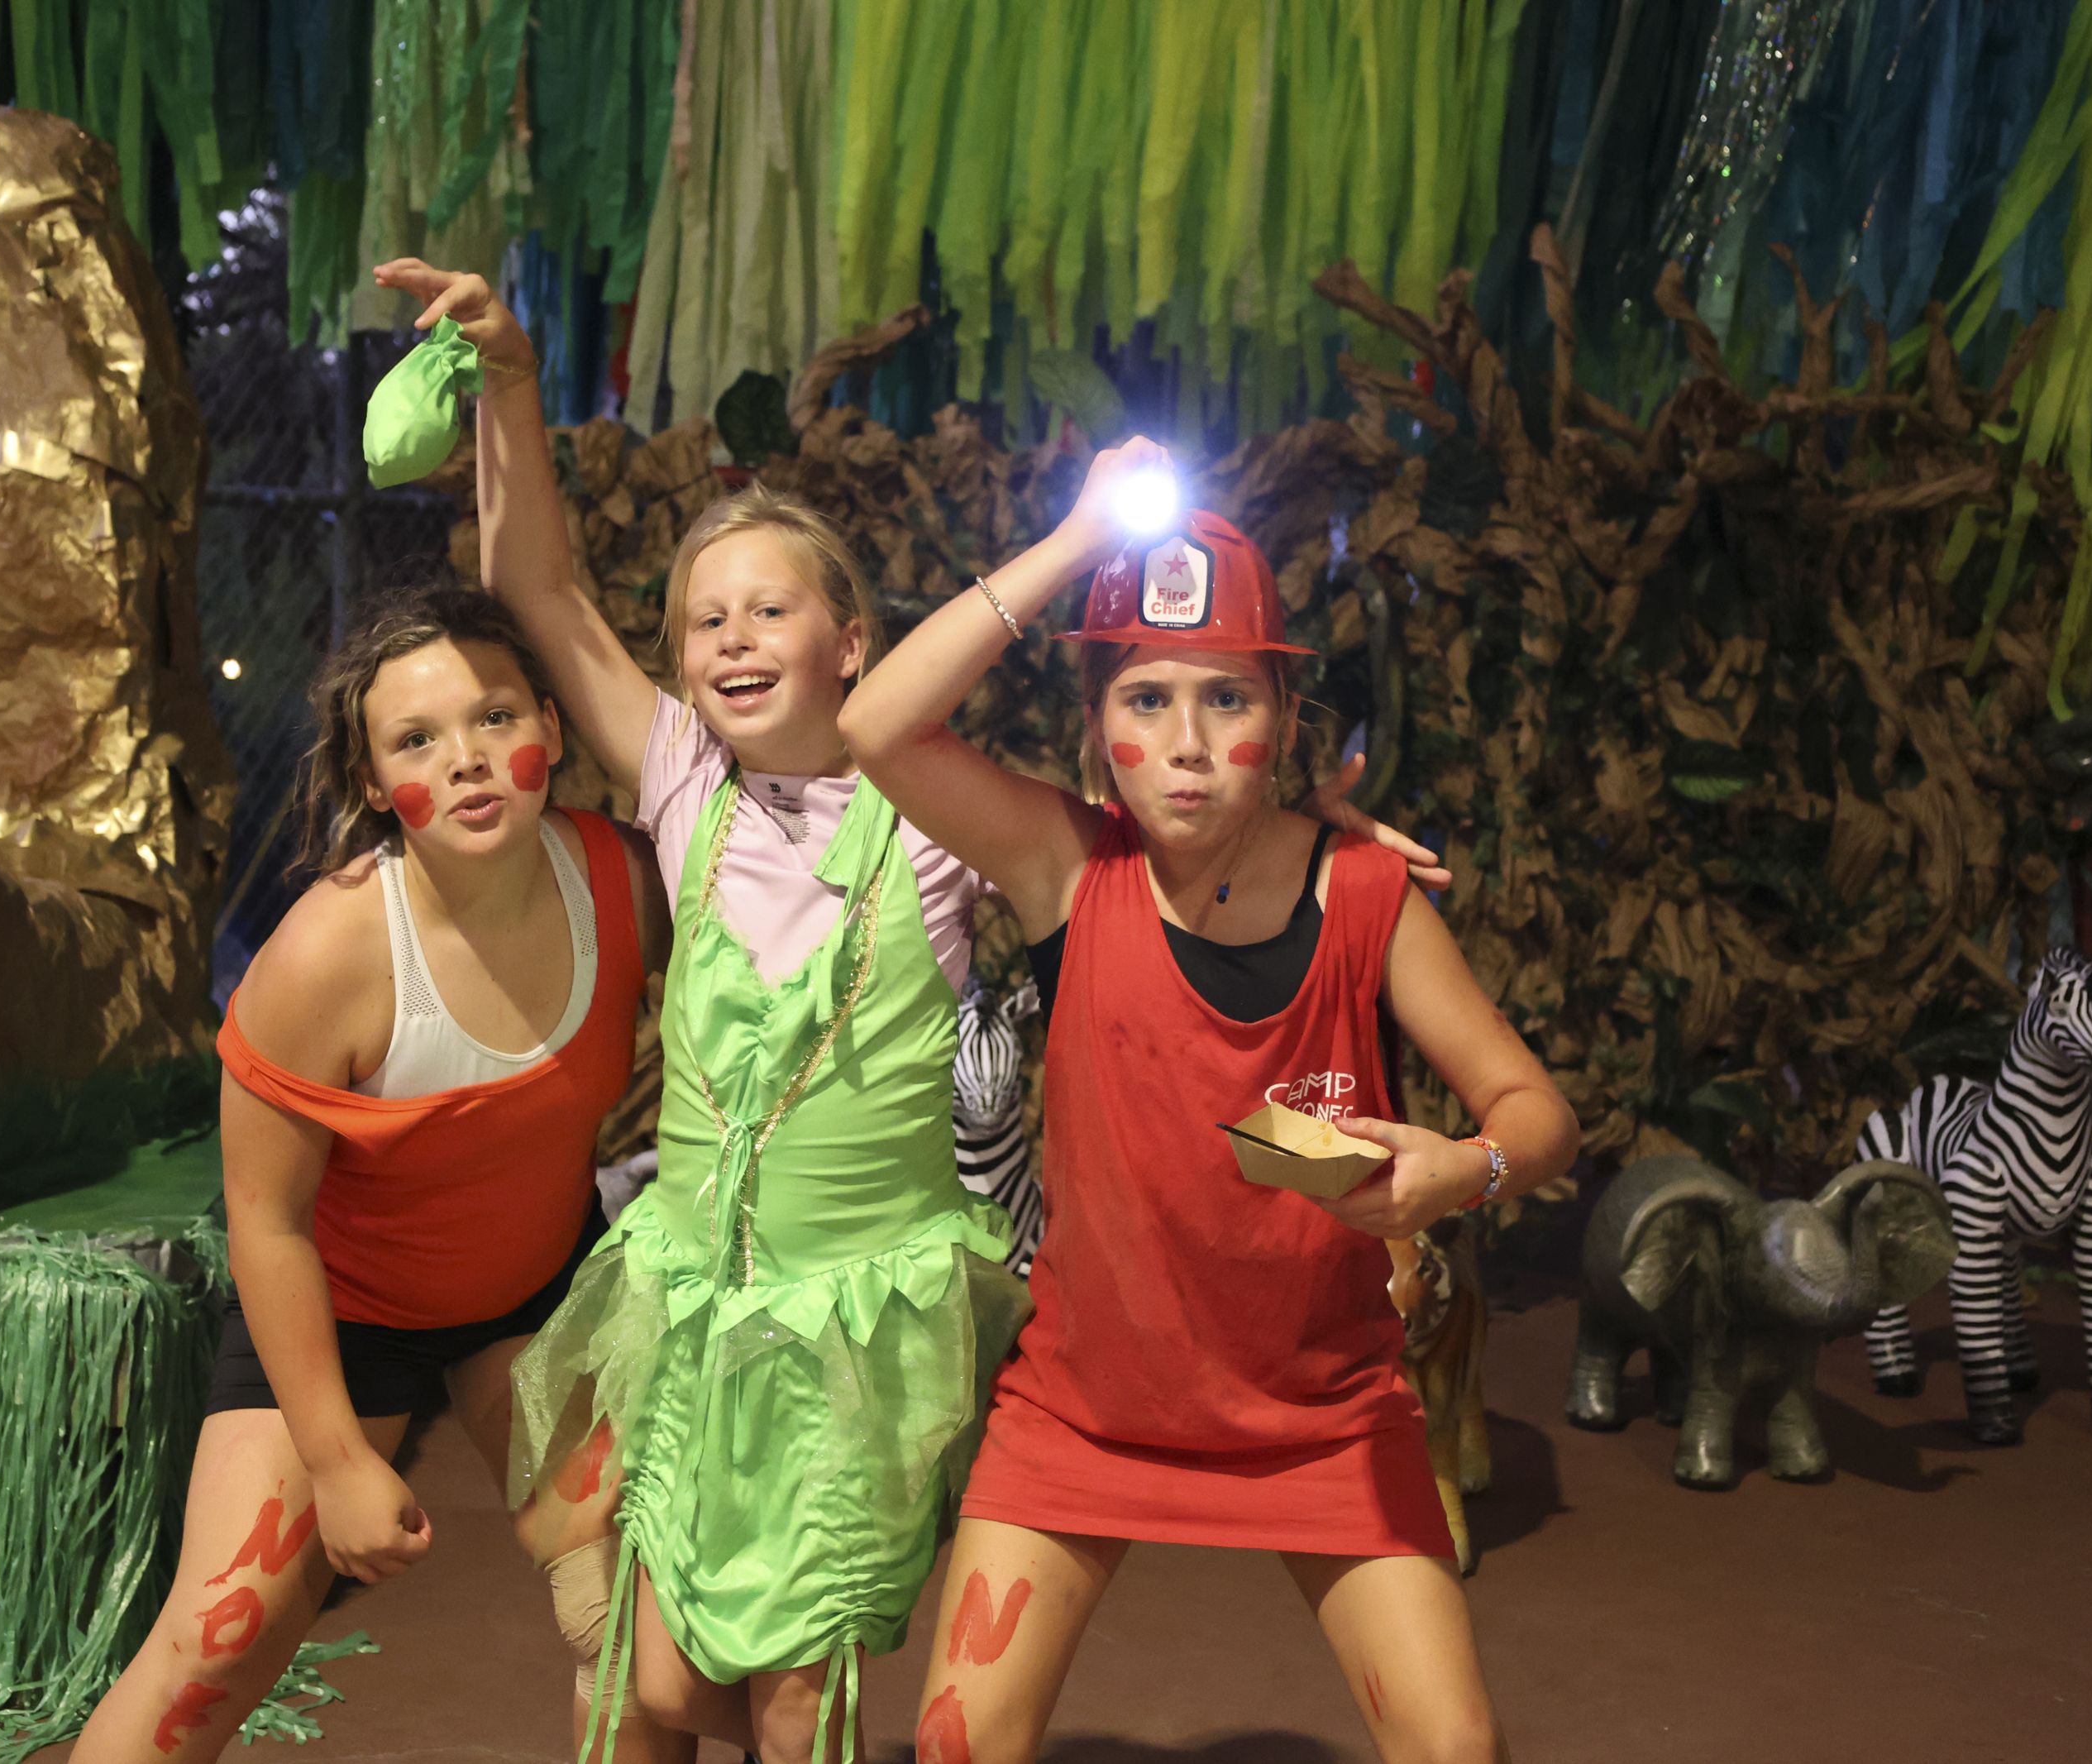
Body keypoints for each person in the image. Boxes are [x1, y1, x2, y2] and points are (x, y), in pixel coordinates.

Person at [362, 262, 1447, 1764]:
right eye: (704, 620)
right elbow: (538, 591)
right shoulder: (681, 778)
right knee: (650, 1682)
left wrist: (1315, 839)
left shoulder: (936, 822)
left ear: (854, 642)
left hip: (857, 1326)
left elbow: (1151, 838)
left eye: (771, 609)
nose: (734, 639)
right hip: (694, 1304)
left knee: (798, 1693)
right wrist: (514, 380)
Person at [838, 438, 1581, 1764]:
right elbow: (876, 724)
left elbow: (1536, 1111)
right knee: (955, 1743)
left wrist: (1457, 1170)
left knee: (1458, 1750)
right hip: (1086, 1410)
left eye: (1227, 698)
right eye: (1146, 697)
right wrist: (1077, 541)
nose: (1186, 746)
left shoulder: (1366, 897)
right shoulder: (1068, 869)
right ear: (1096, 728)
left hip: (1321, 1416)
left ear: (1283, 721)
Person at [69, 587, 690, 1764]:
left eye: (493, 716)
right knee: (218, 1639)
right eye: (416, 740)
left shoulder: (625, 883)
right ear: (370, 781)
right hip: (345, 1319)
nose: (465, 760)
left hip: (537, 1293)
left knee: (640, 1619)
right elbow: (266, 1222)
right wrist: (337, 1456)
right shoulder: (325, 956)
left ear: (550, 727)